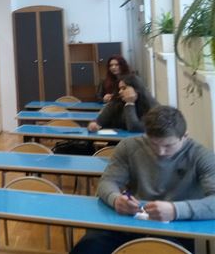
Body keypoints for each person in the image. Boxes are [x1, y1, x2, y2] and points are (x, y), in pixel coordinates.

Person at [70, 106, 215, 253]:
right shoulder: (129, 146)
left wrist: (175, 210)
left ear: (185, 136)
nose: (160, 152)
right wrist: (116, 199)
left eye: (168, 146)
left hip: (178, 226)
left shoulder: (202, 156)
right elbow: (108, 182)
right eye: (154, 144)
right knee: (89, 246)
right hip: (131, 221)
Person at [88, 74, 158, 133]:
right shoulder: (116, 102)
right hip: (115, 142)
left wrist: (130, 103)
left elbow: (134, 128)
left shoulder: (151, 106)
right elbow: (99, 121)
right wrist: (93, 124)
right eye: (119, 89)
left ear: (136, 89)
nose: (120, 92)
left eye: (124, 88)